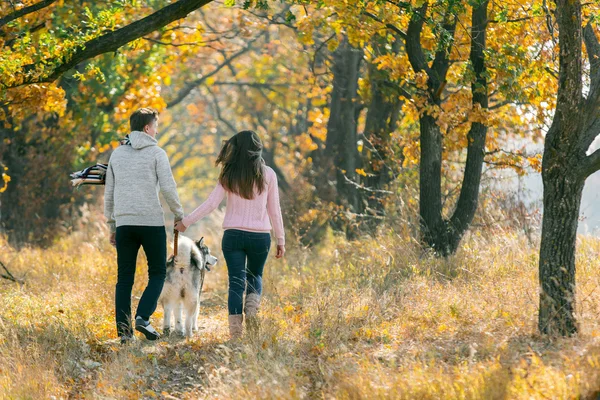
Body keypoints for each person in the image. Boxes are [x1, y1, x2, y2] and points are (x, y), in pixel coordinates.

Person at [175, 130, 285, 339]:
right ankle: (252, 309)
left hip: (233, 236)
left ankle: (235, 333)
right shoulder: (268, 173)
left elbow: (211, 204)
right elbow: (274, 209)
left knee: (236, 280)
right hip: (260, 236)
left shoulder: (229, 172)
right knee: (255, 275)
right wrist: (281, 239)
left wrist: (186, 222)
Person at [104, 107, 184, 343]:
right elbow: (169, 188)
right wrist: (179, 214)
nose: (157, 131)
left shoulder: (117, 155)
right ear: (148, 128)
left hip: (125, 224)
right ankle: (143, 317)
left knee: (124, 278)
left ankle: (124, 334)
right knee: (158, 273)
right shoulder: (157, 153)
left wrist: (112, 225)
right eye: (155, 126)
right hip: (151, 223)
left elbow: (109, 192)